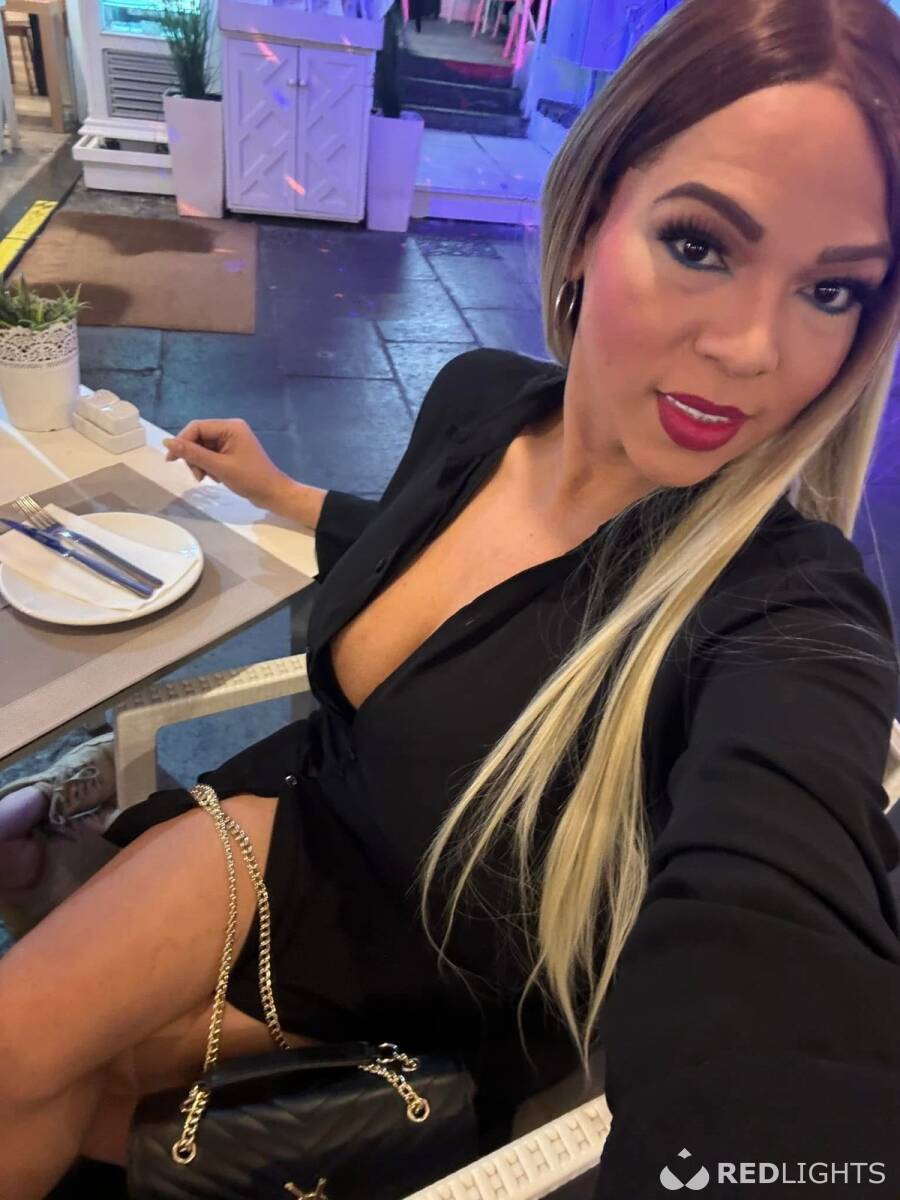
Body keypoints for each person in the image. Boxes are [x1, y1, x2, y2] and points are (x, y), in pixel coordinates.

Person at [2, 0, 900, 1195]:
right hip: (294, 828)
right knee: (64, 1078)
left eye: (832, 291)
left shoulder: (787, 610)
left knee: (32, 1058)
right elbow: (432, 562)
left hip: (426, 983)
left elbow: (779, 935)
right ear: (590, 219)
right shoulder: (481, 399)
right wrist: (286, 493)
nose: (751, 350)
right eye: (700, 244)